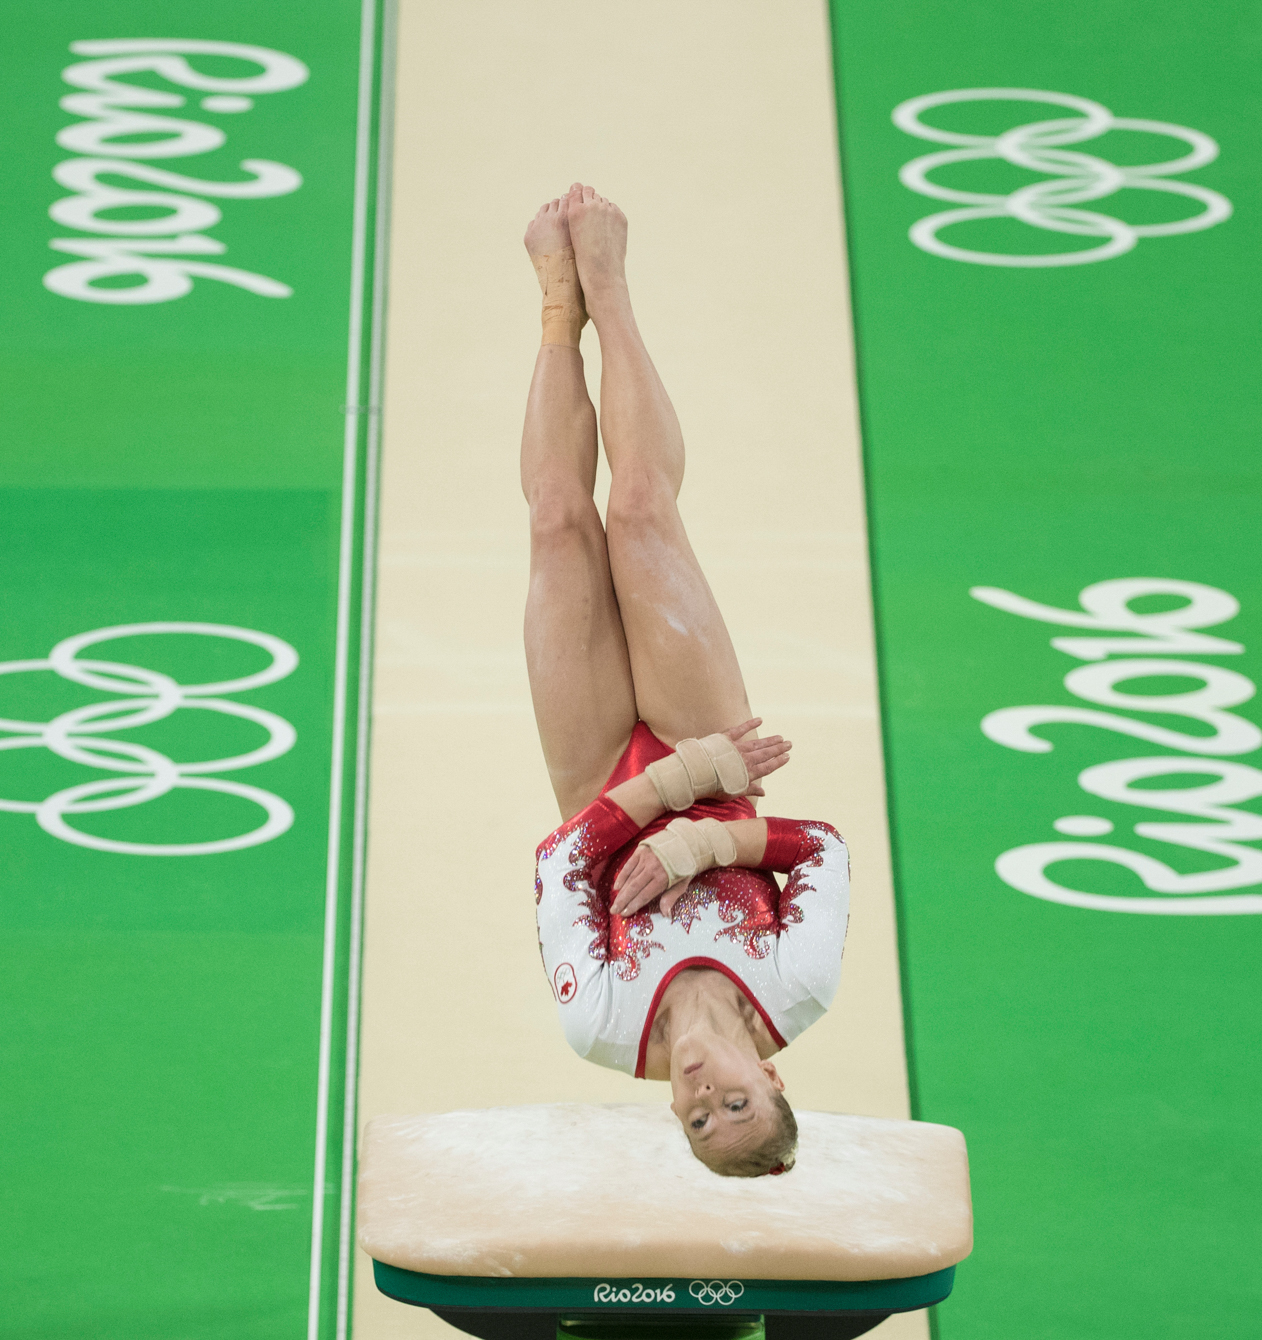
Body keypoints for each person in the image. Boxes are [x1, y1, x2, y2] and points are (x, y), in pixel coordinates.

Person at [524, 183, 849, 1177]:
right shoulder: (794, 990)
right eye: (737, 1103)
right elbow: (820, 849)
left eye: (700, 1122)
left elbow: (558, 866)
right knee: (637, 511)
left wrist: (660, 803)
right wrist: (702, 826)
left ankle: (553, 308)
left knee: (555, 526)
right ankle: (610, 289)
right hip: (715, 757)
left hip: (603, 789)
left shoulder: (599, 1021)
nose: (707, 1098)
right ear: (775, 1077)